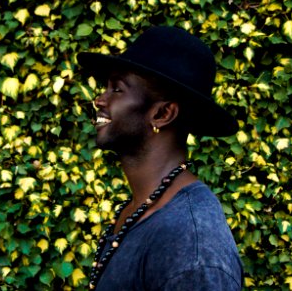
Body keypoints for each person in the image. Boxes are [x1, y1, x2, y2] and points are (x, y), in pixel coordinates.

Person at [77, 26, 243, 291]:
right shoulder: (140, 209)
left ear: (163, 114)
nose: (99, 100)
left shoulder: (192, 246)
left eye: (117, 89)